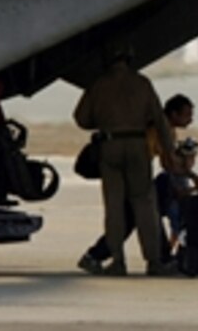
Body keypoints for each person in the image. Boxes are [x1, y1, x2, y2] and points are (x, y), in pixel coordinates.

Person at [73, 43, 177, 277]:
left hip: (110, 146)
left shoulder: (99, 84)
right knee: (145, 205)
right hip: (138, 146)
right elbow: (159, 119)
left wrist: (105, 120)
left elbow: (81, 119)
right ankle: (155, 262)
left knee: (115, 207)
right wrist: (168, 150)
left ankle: (118, 261)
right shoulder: (142, 83)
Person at [77, 93, 198, 274]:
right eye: (187, 115)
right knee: (148, 214)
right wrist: (193, 176)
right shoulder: (161, 128)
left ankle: (95, 256)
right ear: (174, 114)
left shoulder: (163, 127)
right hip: (130, 174)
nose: (190, 120)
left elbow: (167, 161)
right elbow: (169, 164)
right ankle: (161, 260)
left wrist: (190, 174)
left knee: (133, 219)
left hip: (132, 174)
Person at [155, 137, 198, 253]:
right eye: (191, 158)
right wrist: (195, 188)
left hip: (172, 203)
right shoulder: (172, 174)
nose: (193, 161)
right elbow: (178, 193)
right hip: (167, 204)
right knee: (179, 224)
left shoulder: (183, 174)